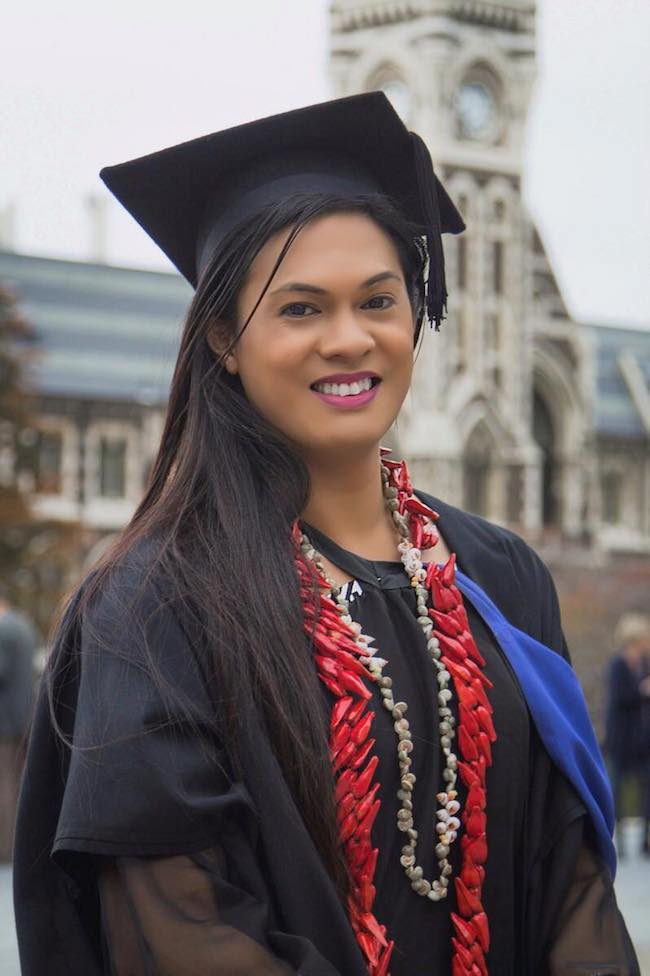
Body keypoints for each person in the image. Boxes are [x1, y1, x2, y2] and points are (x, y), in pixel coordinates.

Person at [13, 93, 639, 975]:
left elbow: (570, 872)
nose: (350, 339)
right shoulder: (159, 603)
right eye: (301, 309)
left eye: (379, 300)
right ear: (225, 336)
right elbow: (177, 926)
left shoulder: (501, 577)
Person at [604, 612, 650, 857]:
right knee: (618, 790)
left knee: (647, 788)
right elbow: (619, 699)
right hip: (621, 739)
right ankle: (619, 842)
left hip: (643, 739)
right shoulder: (618, 665)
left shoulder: (645, 664)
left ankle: (645, 840)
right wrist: (642, 690)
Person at [0, 583, 35, 861]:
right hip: (22, 717)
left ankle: (5, 847)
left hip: (4, 722)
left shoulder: (3, 630)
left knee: (4, 785)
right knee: (14, 781)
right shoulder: (23, 625)